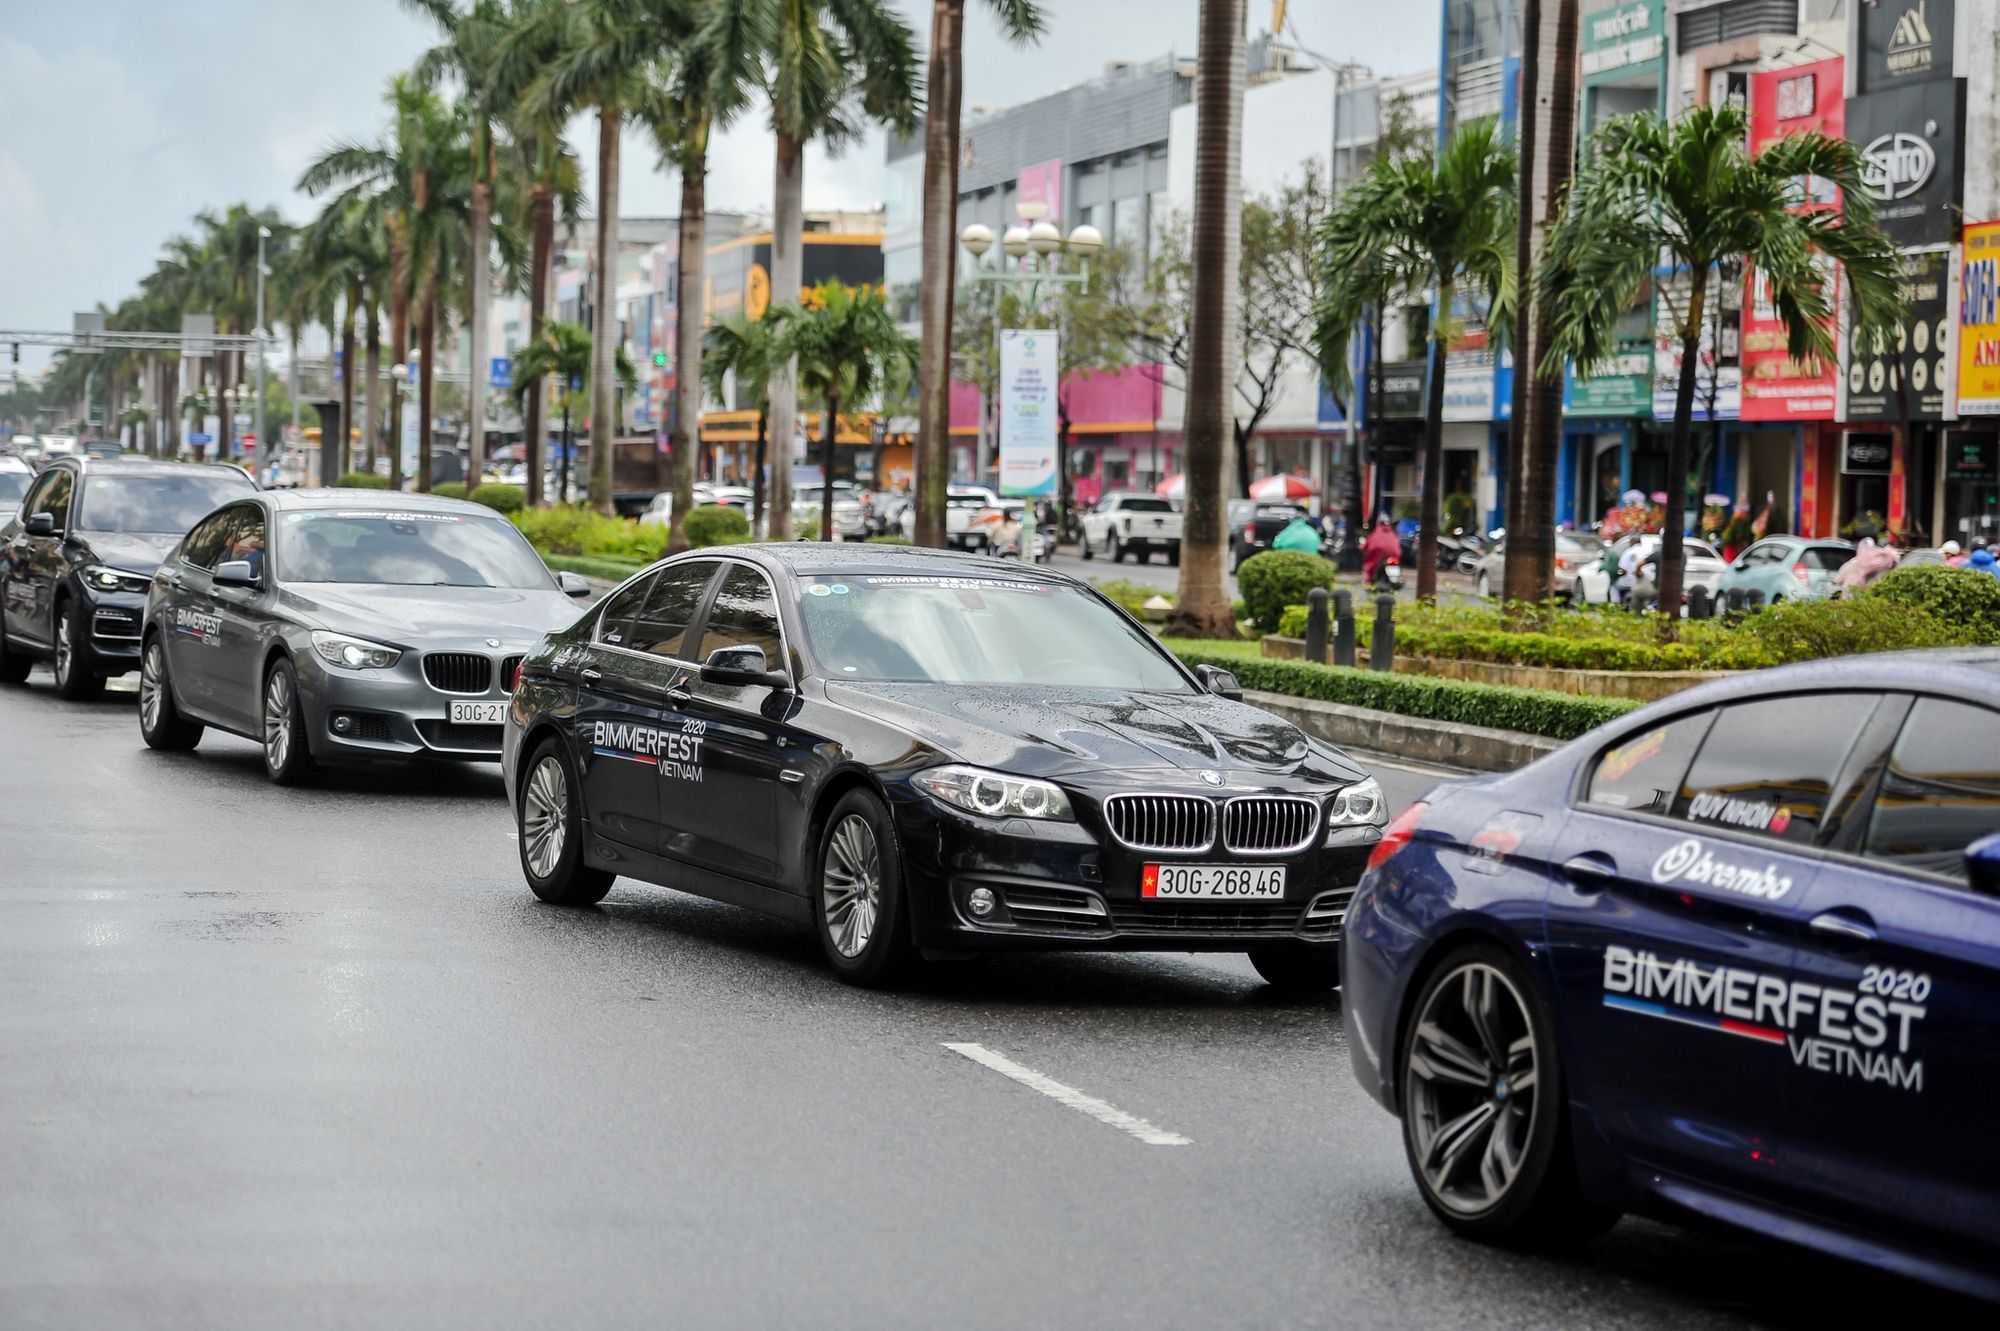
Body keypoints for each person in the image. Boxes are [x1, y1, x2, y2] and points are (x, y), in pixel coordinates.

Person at [1362, 516, 1401, 586]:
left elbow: (1367, 544)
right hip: (1395, 554)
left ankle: (1369, 583)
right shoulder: (1392, 532)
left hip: (1379, 553)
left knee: (1370, 566)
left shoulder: (1377, 532)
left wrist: (1362, 547)